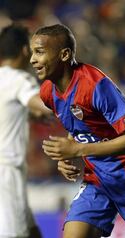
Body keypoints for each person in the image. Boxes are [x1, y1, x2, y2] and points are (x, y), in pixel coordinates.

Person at [29, 24, 125, 238]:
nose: (32, 59)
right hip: (98, 181)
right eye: (32, 52)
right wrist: (68, 155)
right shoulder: (48, 91)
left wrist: (78, 149)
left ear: (65, 54)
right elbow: (78, 124)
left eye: (39, 52)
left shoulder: (95, 85)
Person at [0, 24, 51, 238]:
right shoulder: (18, 79)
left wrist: (27, 114)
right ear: (24, 51)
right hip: (6, 172)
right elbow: (43, 104)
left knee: (32, 232)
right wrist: (93, 101)